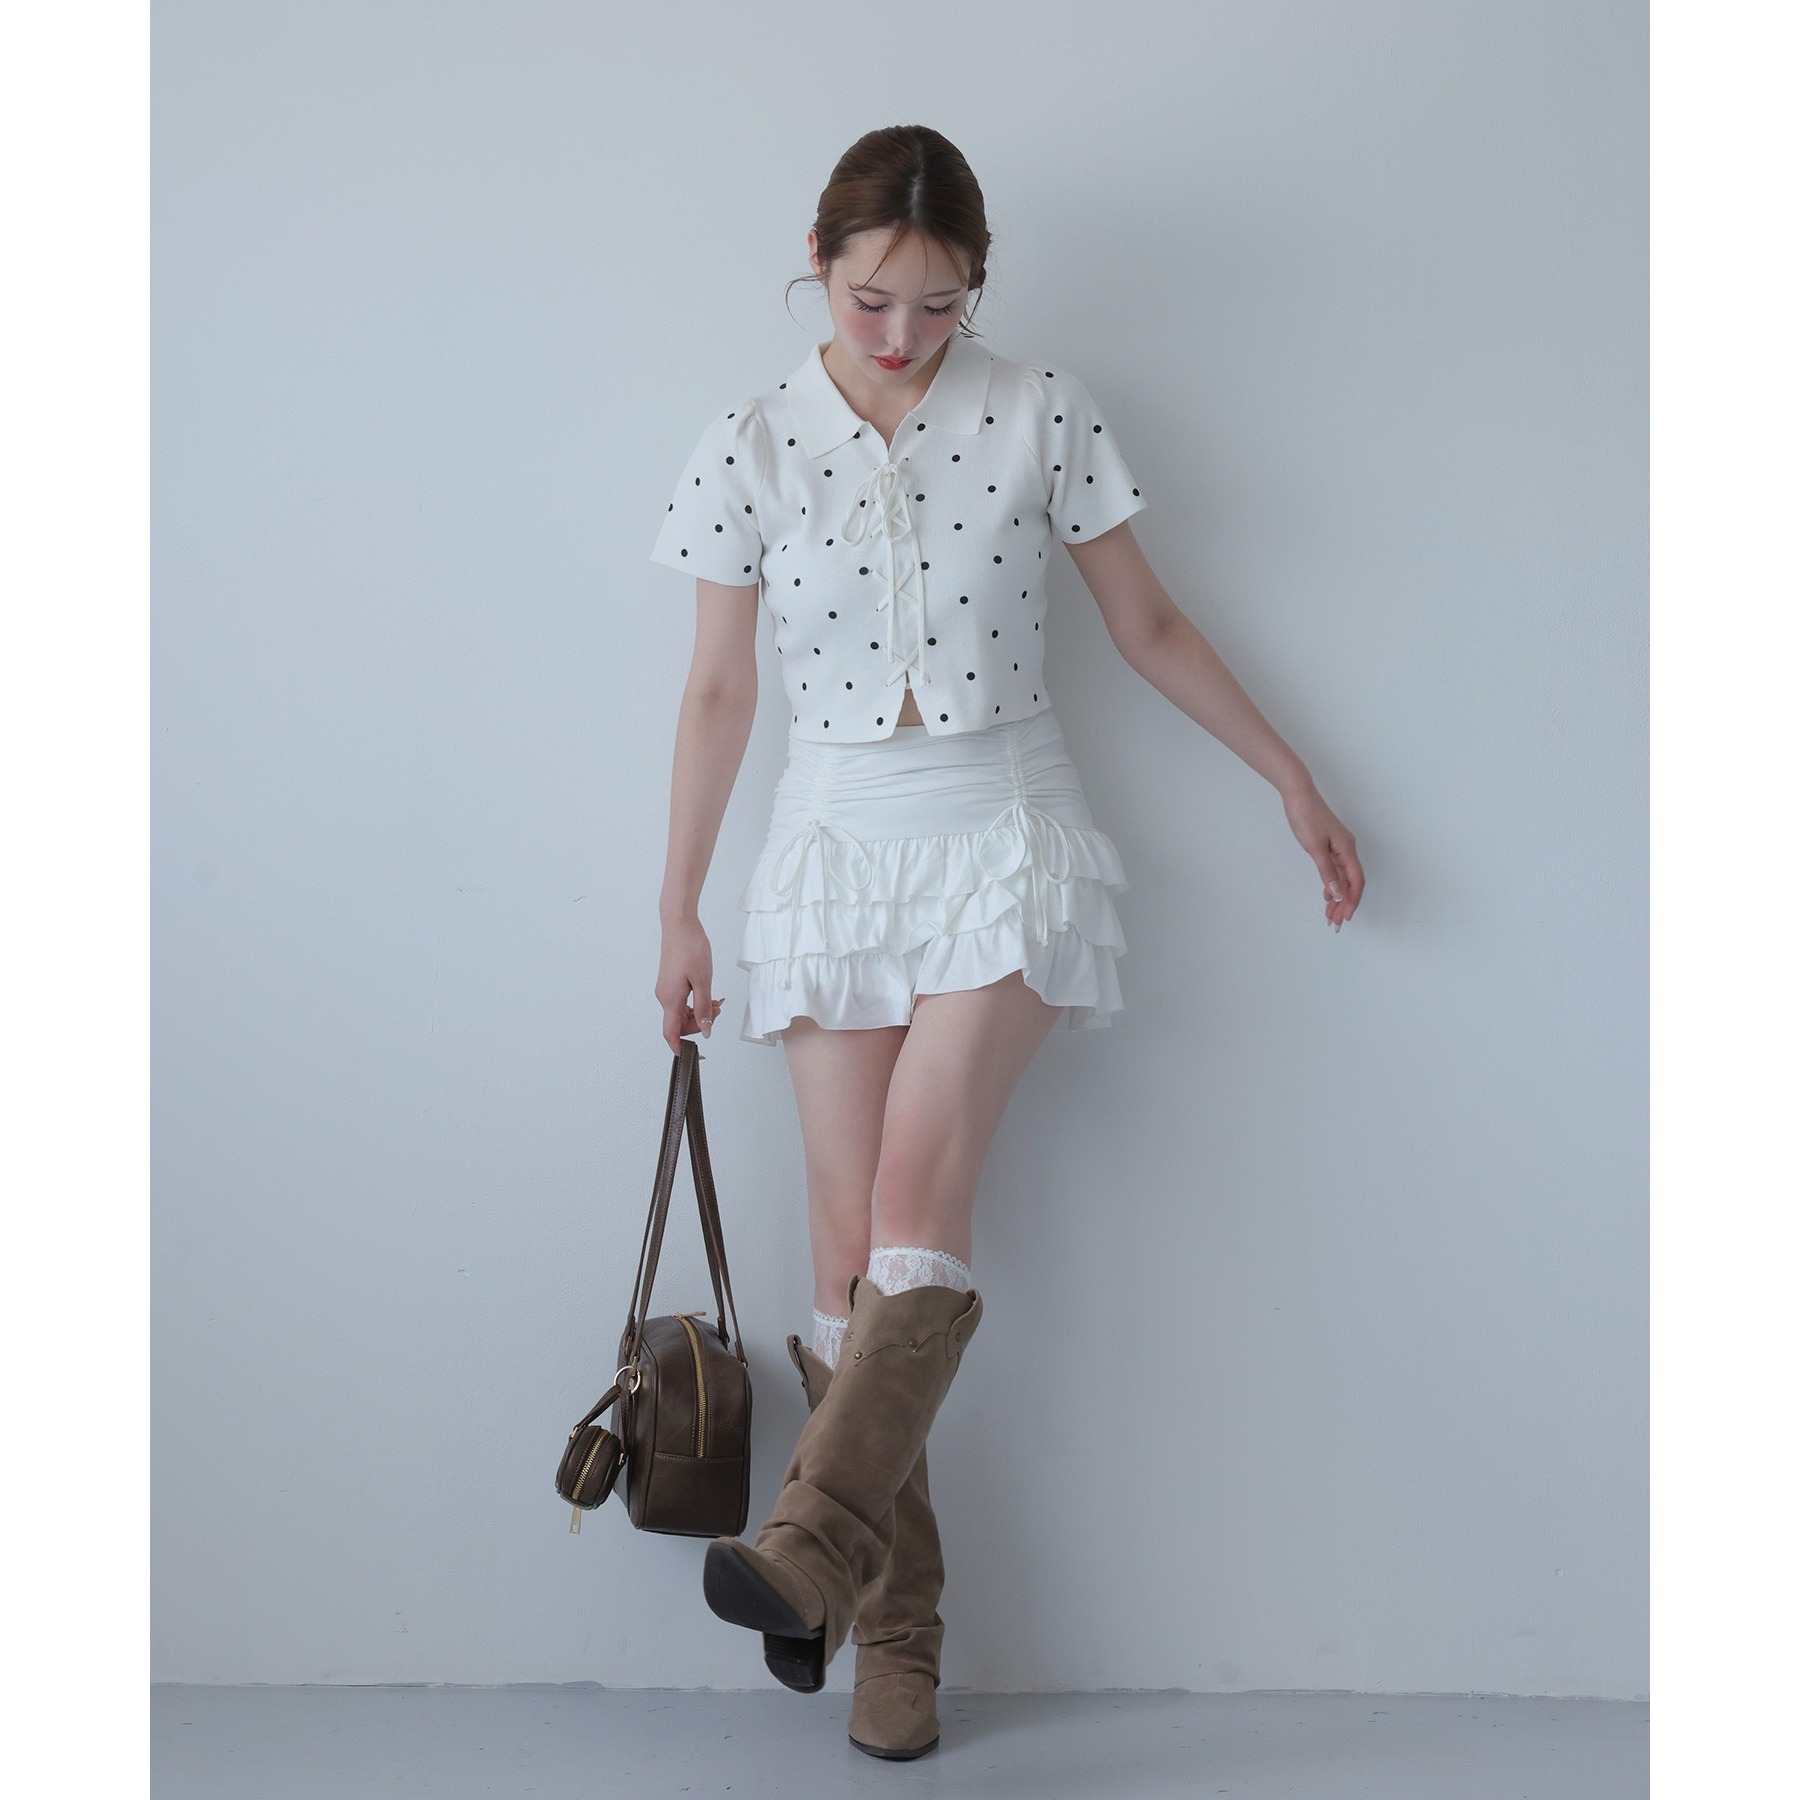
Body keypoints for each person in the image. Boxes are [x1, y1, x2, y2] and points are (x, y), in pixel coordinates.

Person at [649, 125, 1365, 1760]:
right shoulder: (749, 442)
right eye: (872, 299)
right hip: (831, 846)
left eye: (941, 302)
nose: (905, 334)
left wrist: (1290, 776)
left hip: (1004, 827)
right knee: (844, 1260)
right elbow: (717, 689)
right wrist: (676, 901)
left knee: (917, 1205)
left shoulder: (1044, 409)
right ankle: (894, 1639)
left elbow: (1148, 622)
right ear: (819, 264)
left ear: (978, 281)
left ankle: (811, 1550)